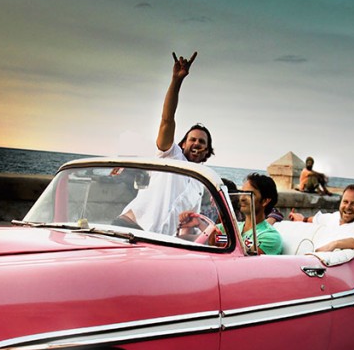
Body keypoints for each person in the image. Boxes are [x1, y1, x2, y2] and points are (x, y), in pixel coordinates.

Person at [116, 51, 214, 234]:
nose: (196, 143)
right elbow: (167, 120)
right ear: (183, 144)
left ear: (207, 150)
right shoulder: (171, 155)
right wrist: (176, 81)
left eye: (201, 141)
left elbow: (186, 225)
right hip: (130, 227)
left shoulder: (199, 185)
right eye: (192, 139)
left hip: (157, 242)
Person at [199, 172, 283, 254]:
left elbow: (248, 259)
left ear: (265, 201)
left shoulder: (270, 237)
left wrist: (223, 243)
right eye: (242, 192)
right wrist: (197, 222)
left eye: (249, 194)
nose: (242, 198)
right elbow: (208, 235)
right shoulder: (229, 227)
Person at [287, 183, 354, 252]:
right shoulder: (334, 217)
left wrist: (335, 244)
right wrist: (302, 219)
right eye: (345, 202)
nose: (348, 207)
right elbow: (316, 219)